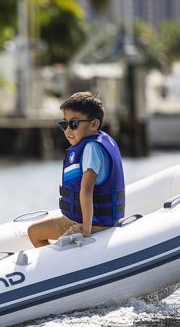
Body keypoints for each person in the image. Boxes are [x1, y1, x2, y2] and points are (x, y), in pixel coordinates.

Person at [28, 91, 125, 248]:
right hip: (76, 219)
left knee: (53, 253)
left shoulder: (91, 149)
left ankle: (56, 262)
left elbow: (86, 191)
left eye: (73, 124)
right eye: (64, 124)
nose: (68, 130)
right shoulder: (100, 139)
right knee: (34, 232)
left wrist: (85, 231)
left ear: (94, 124)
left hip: (92, 224)